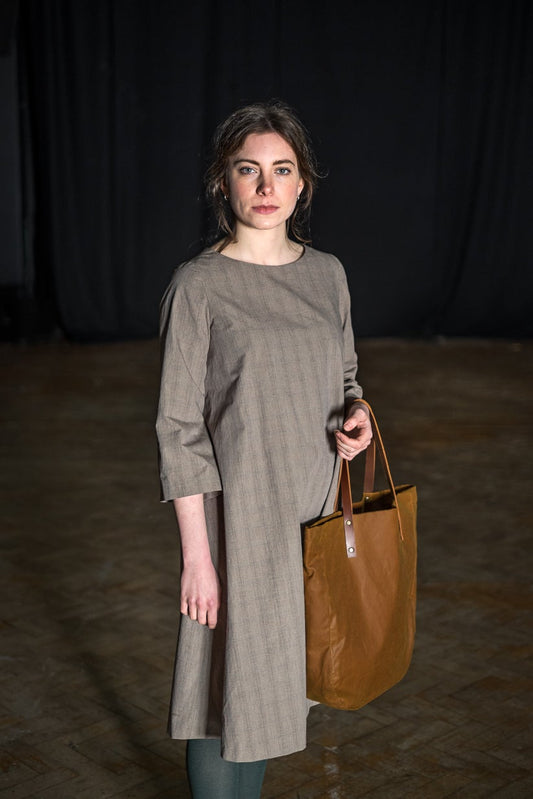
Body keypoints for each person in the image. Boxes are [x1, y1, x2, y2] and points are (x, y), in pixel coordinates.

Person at [156, 100, 372, 798]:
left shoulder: (327, 274)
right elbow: (177, 427)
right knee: (224, 691)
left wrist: (358, 416)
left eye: (281, 169)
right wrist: (199, 557)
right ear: (223, 181)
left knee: (272, 689)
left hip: (312, 518)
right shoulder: (198, 285)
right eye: (247, 169)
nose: (265, 185)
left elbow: (346, 377)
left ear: (303, 183)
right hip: (239, 524)